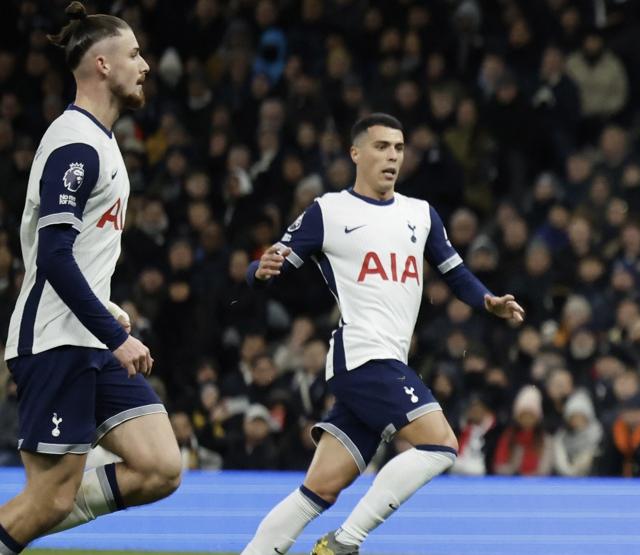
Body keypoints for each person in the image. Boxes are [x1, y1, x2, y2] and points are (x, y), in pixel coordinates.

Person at [240, 113, 525, 555]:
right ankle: (344, 543)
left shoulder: (420, 214)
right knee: (441, 445)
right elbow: (270, 262)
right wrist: (260, 272)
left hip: (385, 361)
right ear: (356, 153)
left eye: (398, 147)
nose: (392, 156)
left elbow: (455, 271)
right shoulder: (329, 211)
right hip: (362, 355)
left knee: (317, 491)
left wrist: (487, 300)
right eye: (381, 147)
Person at [0, 4, 182, 554]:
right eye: (134, 54)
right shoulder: (75, 142)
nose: (145, 65)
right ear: (101, 65)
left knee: (160, 466)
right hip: (57, 340)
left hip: (88, 336)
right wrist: (116, 334)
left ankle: (25, 519)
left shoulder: (100, 142)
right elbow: (54, 257)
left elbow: (72, 254)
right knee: (48, 499)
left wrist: (107, 312)